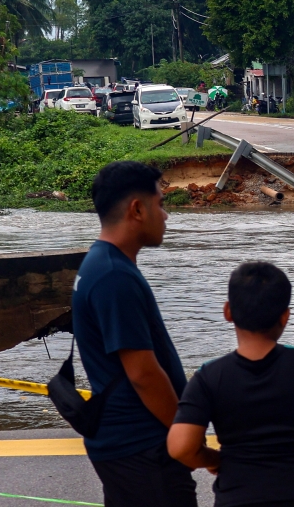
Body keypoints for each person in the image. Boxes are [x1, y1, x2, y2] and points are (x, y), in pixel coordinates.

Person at [72, 161, 195, 507]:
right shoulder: (114, 276)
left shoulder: (102, 264)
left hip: (129, 446)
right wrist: (183, 434)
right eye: (160, 203)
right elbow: (142, 373)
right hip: (141, 448)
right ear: (137, 209)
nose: (166, 215)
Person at [168, 262, 294, 507]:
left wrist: (214, 459)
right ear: (285, 316)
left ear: (228, 312)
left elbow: (181, 446)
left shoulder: (209, 376)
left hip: (237, 497)